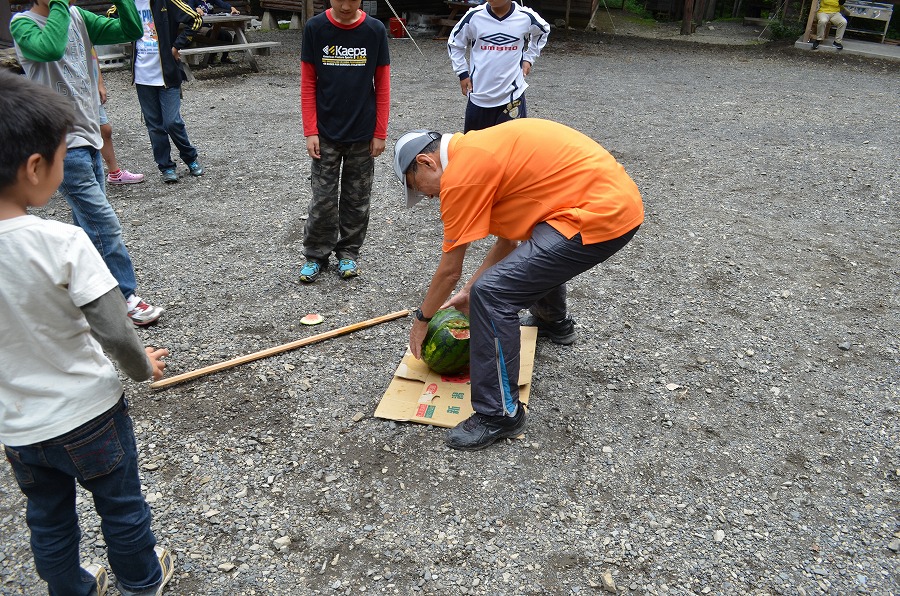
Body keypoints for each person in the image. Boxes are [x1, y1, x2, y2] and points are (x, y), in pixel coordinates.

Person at [0, 69, 174, 596]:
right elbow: (115, 329)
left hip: (19, 428)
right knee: (120, 505)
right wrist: (144, 367)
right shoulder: (60, 241)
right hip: (89, 413)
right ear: (35, 167)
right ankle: (142, 582)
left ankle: (70, 589)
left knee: (48, 519)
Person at [393, 119, 644, 451]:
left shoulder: (461, 177)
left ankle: (499, 414)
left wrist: (421, 320)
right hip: (605, 200)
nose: (426, 196)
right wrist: (470, 290)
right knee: (511, 269)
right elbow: (508, 242)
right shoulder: (478, 150)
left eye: (418, 186)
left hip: (600, 213)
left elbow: (448, 271)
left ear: (427, 162)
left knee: (493, 295)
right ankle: (552, 322)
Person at [11, 0, 165, 326]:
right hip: (62, 146)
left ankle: (79, 293)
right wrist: (58, 4)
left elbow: (132, 30)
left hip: (91, 137)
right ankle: (125, 299)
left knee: (86, 227)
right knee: (104, 225)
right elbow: (51, 48)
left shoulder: (77, 15)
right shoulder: (22, 25)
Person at [298, 0, 390, 283]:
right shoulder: (315, 28)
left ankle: (348, 253)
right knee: (323, 200)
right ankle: (315, 255)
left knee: (357, 199)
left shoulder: (375, 30)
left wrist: (380, 132)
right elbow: (308, 82)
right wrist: (310, 130)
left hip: (363, 134)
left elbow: (383, 84)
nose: (346, 4)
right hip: (326, 133)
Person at [109, 0, 205, 183]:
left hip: (167, 74)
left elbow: (196, 20)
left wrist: (177, 45)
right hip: (142, 76)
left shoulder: (166, 1)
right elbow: (108, 17)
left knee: (172, 122)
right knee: (154, 125)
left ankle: (190, 157)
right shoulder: (127, 4)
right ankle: (166, 167)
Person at [447, 0, 550, 132]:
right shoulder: (474, 16)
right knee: (476, 147)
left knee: (511, 148)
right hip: (479, 96)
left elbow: (543, 30)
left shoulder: (525, 17)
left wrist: (529, 58)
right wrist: (462, 73)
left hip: (512, 97)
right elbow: (454, 44)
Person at [94, 50, 145, 185]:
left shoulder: (84, 31)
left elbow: (92, 54)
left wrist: (100, 83)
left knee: (105, 130)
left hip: (88, 88)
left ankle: (114, 173)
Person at [189, 0, 239, 65]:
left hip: (210, 25)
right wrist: (195, 9)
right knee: (218, 35)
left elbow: (222, 3)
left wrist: (231, 8)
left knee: (227, 35)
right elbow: (188, 8)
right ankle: (212, 57)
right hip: (199, 27)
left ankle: (224, 58)